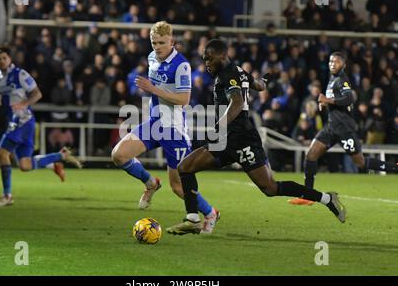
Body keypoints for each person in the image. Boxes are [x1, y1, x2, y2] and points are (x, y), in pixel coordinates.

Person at [166, 39, 346, 235]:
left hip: (243, 139)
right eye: (204, 59)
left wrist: (219, 126)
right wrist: (265, 79)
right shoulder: (240, 72)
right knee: (185, 167)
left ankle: (328, 199)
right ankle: (192, 218)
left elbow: (236, 102)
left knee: (270, 188)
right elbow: (259, 86)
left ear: (221, 56)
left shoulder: (229, 74)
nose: (206, 63)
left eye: (209, 58)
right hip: (225, 141)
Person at [111, 21, 219, 233]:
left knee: (178, 186)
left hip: (174, 130)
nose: (157, 46)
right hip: (154, 123)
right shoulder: (152, 58)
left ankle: (210, 213)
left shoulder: (181, 65)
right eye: (154, 42)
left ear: (172, 41)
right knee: (118, 155)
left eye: (161, 42)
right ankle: (151, 183)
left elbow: (184, 99)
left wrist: (153, 89)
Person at [289, 51, 398, 205]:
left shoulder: (342, 79)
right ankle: (308, 196)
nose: (333, 64)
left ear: (344, 65)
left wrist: (327, 99)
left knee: (360, 162)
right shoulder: (332, 79)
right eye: (331, 61)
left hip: (344, 129)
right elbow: (338, 100)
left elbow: (348, 98)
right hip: (331, 127)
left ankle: (394, 168)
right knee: (311, 155)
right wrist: (326, 103)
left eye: (337, 62)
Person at [0, 46, 83, 207]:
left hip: (23, 121)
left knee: (1, 153)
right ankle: (60, 156)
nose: (1, 61)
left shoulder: (20, 74)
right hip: (15, 122)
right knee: (25, 165)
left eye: (4, 58)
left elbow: (37, 93)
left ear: (10, 59)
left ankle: (6, 196)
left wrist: (23, 104)